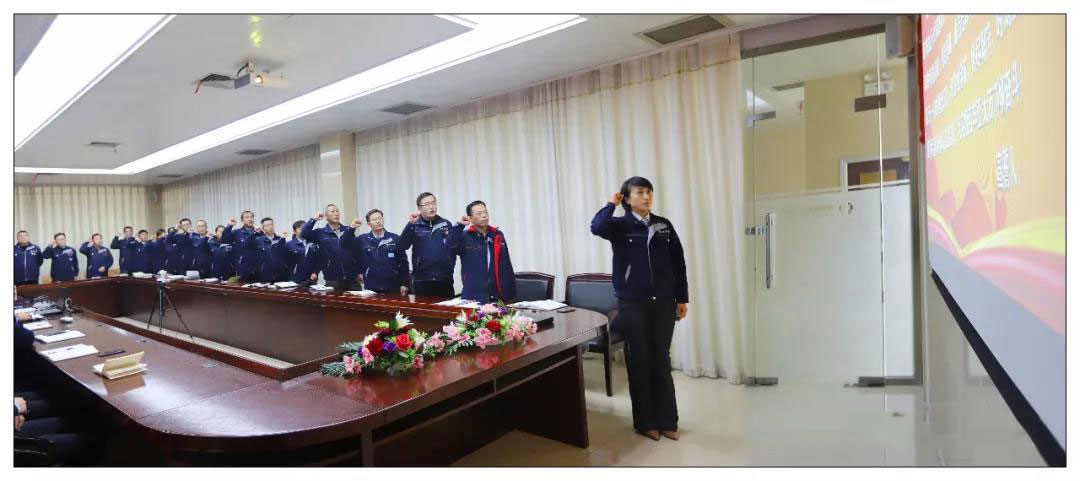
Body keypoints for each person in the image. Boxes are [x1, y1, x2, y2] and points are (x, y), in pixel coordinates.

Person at [590, 176, 689, 442]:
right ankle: (645, 422)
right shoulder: (619, 225)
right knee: (639, 359)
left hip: (664, 302)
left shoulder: (663, 225)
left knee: (661, 358)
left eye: (649, 192)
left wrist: (681, 298)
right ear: (627, 198)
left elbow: (678, 263)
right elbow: (596, 227)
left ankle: (667, 420)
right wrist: (611, 204)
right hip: (632, 302)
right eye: (640, 192)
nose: (646, 197)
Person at [446, 201, 516, 302]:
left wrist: (510, 292)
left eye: (485, 212)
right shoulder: (464, 236)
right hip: (473, 295)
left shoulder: (497, 235)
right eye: (479, 213)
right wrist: (459, 226)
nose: (484, 216)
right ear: (470, 218)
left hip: (497, 294)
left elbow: (506, 264)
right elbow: (449, 247)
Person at [399, 192, 455, 298]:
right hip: (422, 279)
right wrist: (410, 224)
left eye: (433, 203)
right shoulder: (414, 225)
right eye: (427, 204)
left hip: (444, 278)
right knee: (424, 308)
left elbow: (453, 248)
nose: (431, 207)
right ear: (419, 208)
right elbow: (403, 245)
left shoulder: (446, 224)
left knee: (446, 307)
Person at [341, 209, 410, 295]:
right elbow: (344, 244)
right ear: (369, 224)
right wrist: (351, 228)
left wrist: (404, 283)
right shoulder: (363, 239)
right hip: (371, 286)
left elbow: (403, 263)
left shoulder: (395, 238)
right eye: (374, 219)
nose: (378, 221)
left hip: (393, 286)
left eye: (380, 218)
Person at [300, 204, 356, 291]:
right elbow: (304, 233)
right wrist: (314, 219)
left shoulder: (348, 230)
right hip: (332, 278)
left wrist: (359, 271)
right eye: (332, 211)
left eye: (337, 211)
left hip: (352, 278)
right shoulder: (320, 233)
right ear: (326, 216)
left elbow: (355, 250)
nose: (336, 213)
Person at [244, 217, 289, 283]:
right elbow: (246, 244)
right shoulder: (258, 240)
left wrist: (283, 240)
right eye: (267, 225)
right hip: (264, 274)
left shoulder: (280, 239)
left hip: (280, 274)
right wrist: (254, 233)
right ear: (263, 228)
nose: (270, 227)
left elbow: (283, 254)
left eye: (271, 225)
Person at [222, 211, 259, 282]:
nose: (250, 219)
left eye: (251, 217)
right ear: (242, 220)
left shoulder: (259, 232)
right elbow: (225, 239)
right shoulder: (237, 232)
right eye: (247, 217)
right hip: (243, 267)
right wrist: (229, 226)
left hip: (258, 267)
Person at [286, 220, 320, 285]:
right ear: (294, 231)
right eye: (301, 229)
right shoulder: (289, 245)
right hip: (295, 280)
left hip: (311, 279)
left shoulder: (313, 243)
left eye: (305, 229)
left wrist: (316, 272)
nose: (303, 231)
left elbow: (318, 260)